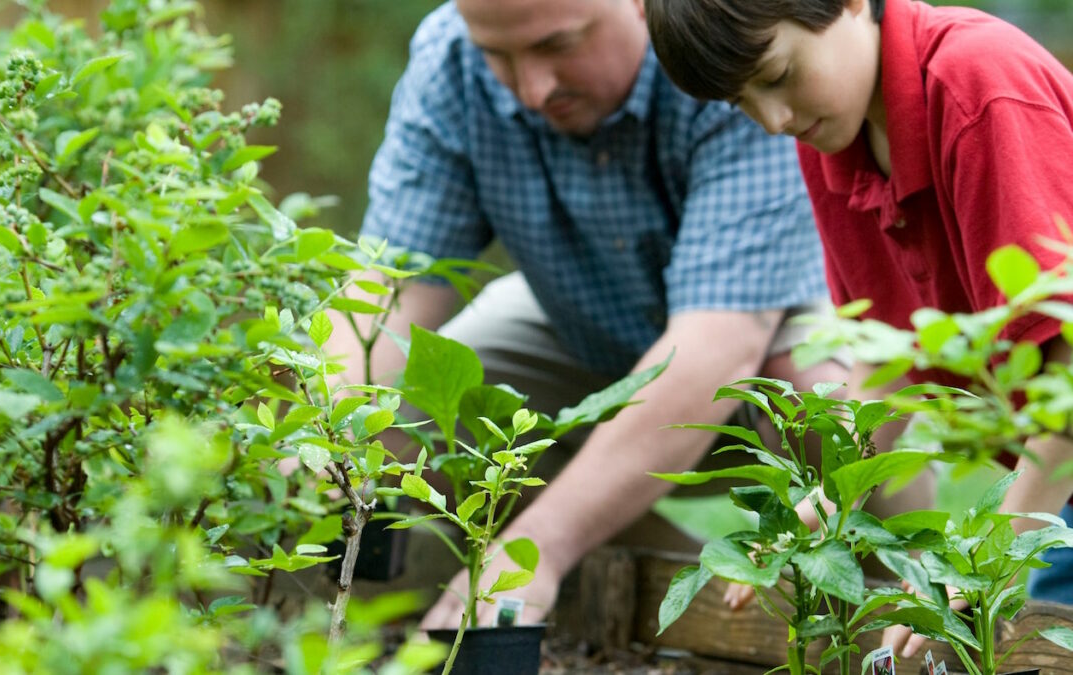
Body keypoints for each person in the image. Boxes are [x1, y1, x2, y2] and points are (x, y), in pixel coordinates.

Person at [334, 0, 870, 630]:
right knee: (398, 415)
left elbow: (715, 350)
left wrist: (540, 548)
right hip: (576, 317)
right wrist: (322, 438)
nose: (533, 89)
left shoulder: (724, 48)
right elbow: (389, 293)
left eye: (558, 45)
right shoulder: (450, 60)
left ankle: (867, 616)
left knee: (822, 404)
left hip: (764, 317)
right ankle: (639, 580)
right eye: (499, 57)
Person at [646, 0, 1073, 657]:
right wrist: (820, 511)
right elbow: (889, 354)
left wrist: (986, 565)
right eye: (742, 103)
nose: (775, 119)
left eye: (779, 74)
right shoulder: (834, 138)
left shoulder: (976, 85)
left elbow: (1066, 380)